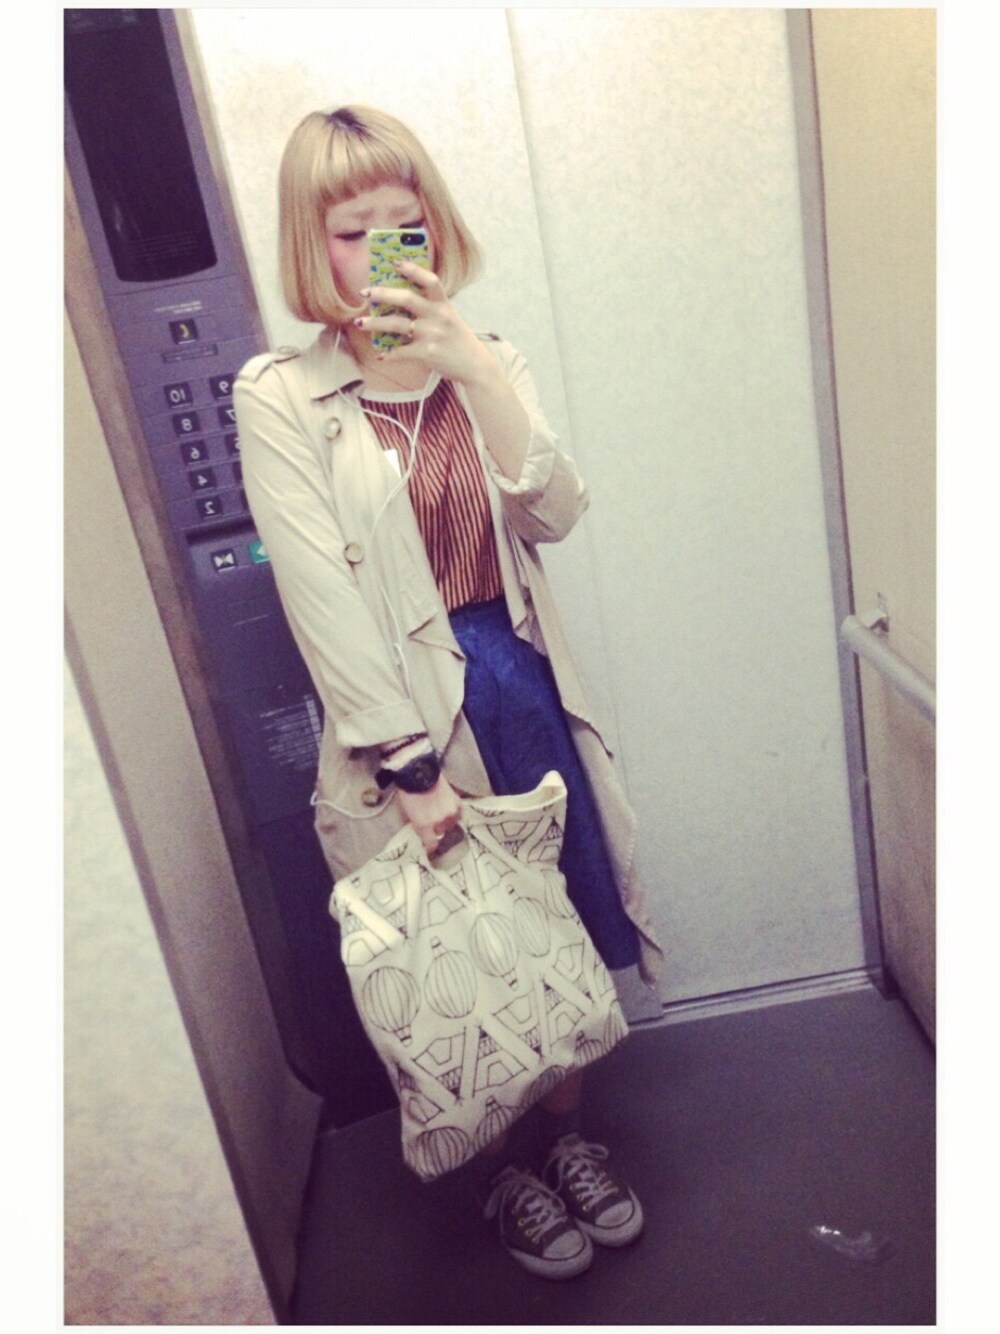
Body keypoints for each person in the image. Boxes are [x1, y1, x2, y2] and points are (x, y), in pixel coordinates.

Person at [235, 104, 662, 1280]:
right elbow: (320, 600)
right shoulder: (280, 396)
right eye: (355, 232)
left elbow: (554, 513)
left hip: (518, 686)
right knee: (455, 965)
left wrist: (468, 362)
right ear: (311, 246)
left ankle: (566, 1141)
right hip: (405, 720)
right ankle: (500, 1172)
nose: (388, 249)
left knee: (556, 933)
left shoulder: (488, 362)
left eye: (406, 224)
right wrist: (409, 765)